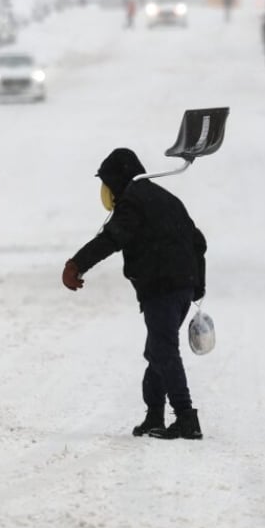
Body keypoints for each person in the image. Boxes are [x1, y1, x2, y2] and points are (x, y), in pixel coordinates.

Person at [62, 148, 207, 440]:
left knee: (163, 350)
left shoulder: (133, 201)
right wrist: (197, 286)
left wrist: (76, 265)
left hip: (161, 287)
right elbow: (198, 241)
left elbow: (111, 238)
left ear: (117, 180)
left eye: (107, 184)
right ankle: (154, 416)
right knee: (157, 351)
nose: (106, 192)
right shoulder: (166, 199)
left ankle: (186, 418)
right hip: (182, 287)